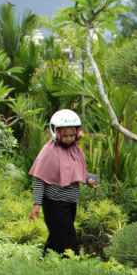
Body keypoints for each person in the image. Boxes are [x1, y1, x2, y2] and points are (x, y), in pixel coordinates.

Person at [28, 109, 98, 255]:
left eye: (72, 135)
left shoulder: (75, 150)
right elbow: (40, 179)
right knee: (68, 243)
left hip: (71, 203)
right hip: (55, 204)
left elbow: (76, 171)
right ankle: (74, 270)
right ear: (56, 133)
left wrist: (88, 180)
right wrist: (36, 205)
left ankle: (45, 266)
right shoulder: (49, 151)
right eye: (65, 136)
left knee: (56, 239)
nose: (68, 139)